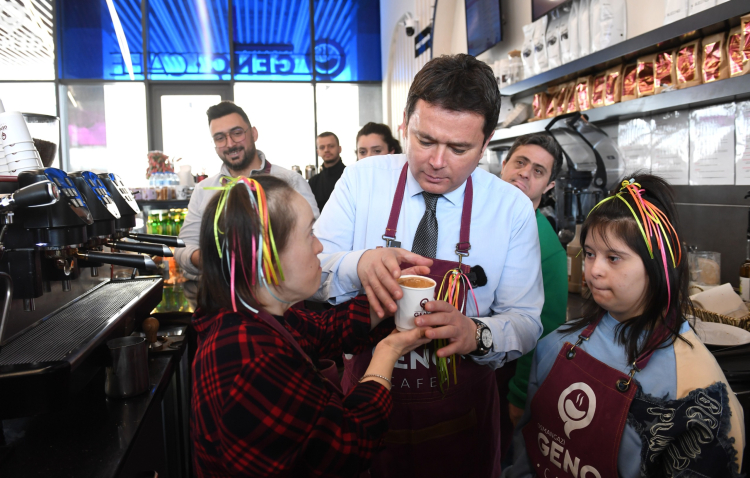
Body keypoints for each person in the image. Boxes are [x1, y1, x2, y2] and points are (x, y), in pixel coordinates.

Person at [312, 54, 544, 477]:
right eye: (424, 140)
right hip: (366, 414)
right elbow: (311, 273)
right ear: (405, 124)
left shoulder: (510, 208)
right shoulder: (362, 181)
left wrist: (476, 333)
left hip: (462, 424)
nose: (437, 161)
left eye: (459, 148)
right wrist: (358, 264)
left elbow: (527, 321)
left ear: (486, 143)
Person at [503, 174, 745, 478]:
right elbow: (525, 456)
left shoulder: (697, 393)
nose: (594, 270)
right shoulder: (555, 345)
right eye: (589, 254)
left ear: (659, 265)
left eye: (614, 258)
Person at [191, 175, 432, 477]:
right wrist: (388, 352)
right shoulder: (251, 359)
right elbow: (348, 445)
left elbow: (324, 330)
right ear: (264, 258)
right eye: (309, 234)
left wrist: (391, 298)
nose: (319, 247)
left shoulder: (254, 311)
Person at [174, 101, 319, 281]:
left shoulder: (289, 181)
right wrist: (214, 262)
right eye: (220, 138)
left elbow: (316, 236)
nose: (230, 144)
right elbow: (184, 246)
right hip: (221, 292)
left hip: (283, 291)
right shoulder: (204, 190)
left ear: (254, 133)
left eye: (237, 133)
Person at [498, 133, 568, 437]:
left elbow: (546, 330)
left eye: (538, 171)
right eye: (520, 162)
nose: (525, 173)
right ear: (504, 164)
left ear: (549, 186)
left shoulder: (547, 247)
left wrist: (519, 394)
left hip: (505, 375)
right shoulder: (474, 216)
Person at [309, 131, 345, 211]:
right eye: (322, 147)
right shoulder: (313, 182)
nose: (326, 150)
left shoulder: (349, 176)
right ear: (318, 152)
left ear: (339, 149)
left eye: (331, 146)